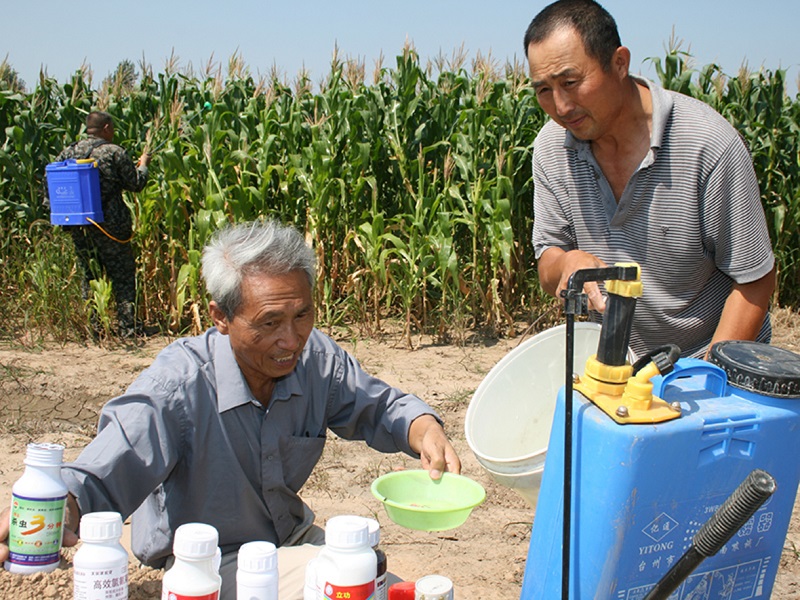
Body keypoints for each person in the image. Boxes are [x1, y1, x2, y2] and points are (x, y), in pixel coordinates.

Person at [0, 219, 461, 599]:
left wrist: (422, 428)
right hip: (209, 563)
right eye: (269, 323)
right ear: (220, 317)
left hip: (292, 540)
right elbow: (108, 464)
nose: (291, 339)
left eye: (302, 315)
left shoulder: (315, 359)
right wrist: (54, 507)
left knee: (390, 587)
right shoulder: (177, 385)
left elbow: (379, 406)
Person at [524, 0, 776, 360]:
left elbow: (755, 279)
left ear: (619, 63)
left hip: (707, 359)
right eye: (544, 90)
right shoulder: (552, 148)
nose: (561, 107)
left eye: (570, 82)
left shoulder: (707, 144)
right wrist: (566, 263)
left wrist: (707, 376)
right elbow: (548, 260)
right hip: (613, 362)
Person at [47, 110, 151, 338]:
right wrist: (143, 165)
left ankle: (93, 328)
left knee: (89, 275)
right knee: (122, 275)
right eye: (112, 128)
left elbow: (52, 188)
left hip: (80, 227)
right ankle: (128, 328)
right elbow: (135, 184)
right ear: (106, 128)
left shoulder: (69, 151)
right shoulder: (113, 152)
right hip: (111, 227)